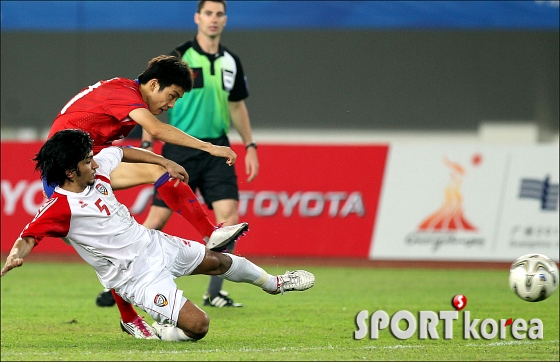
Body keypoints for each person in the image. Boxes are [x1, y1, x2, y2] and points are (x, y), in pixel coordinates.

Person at [0, 129, 315, 342]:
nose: (94, 164)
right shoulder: (59, 207)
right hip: (136, 278)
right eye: (86, 161)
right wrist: (17, 254)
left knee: (218, 261)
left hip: (153, 243)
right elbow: (28, 236)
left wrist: (163, 161)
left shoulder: (97, 171)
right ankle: (166, 333)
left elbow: (121, 152)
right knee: (199, 325)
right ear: (69, 172)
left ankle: (276, 284)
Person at [44, 54, 250, 338]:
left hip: (92, 162)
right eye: (172, 96)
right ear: (153, 84)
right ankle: (129, 316)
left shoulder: (124, 92)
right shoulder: (122, 93)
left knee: (155, 176)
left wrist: (161, 161)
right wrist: (210, 148)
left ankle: (210, 233)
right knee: (113, 251)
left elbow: (113, 147)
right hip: (67, 176)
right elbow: (155, 130)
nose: (171, 105)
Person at [141, 0, 259, 309]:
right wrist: (146, 144)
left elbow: (237, 106)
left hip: (218, 147)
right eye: (208, 13)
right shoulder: (180, 57)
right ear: (197, 17)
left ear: (225, 20)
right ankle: (123, 278)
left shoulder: (232, 61)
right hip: (181, 148)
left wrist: (250, 146)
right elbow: (148, 97)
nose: (213, 19)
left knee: (229, 219)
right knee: (157, 218)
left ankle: (215, 291)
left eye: (219, 14)